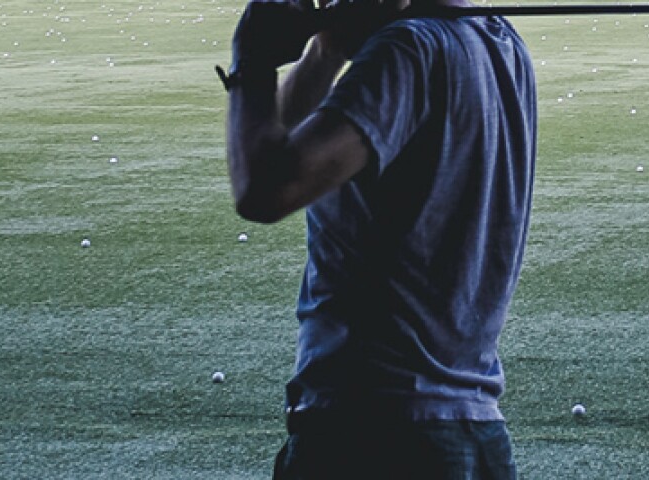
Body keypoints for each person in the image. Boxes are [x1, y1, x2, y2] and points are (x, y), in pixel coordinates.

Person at [221, 0, 536, 477]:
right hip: (473, 435)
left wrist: (253, 59)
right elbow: (281, 140)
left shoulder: (408, 53)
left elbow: (264, 188)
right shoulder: (502, 43)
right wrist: (326, 54)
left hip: (371, 433)